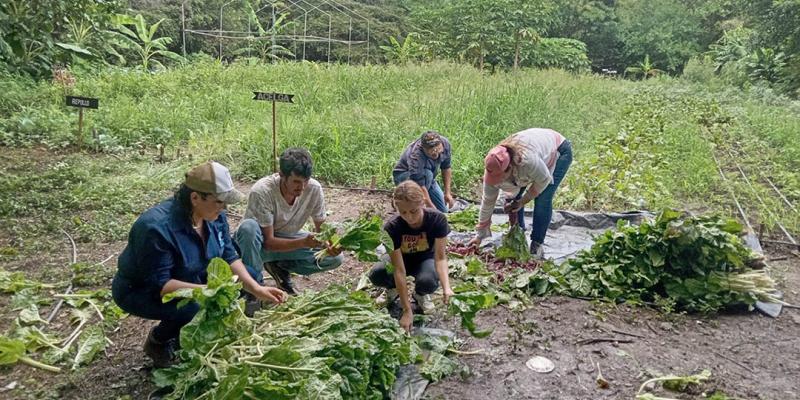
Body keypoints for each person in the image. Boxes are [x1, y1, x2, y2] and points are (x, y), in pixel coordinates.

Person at [112, 161, 287, 368]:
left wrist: (256, 288)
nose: (224, 208)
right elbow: (161, 285)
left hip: (191, 276)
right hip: (141, 290)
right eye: (219, 202)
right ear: (195, 198)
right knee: (194, 306)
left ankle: (194, 331)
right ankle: (158, 341)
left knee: (249, 277)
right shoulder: (155, 228)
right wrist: (212, 290)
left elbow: (229, 255)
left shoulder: (214, 216)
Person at [235, 148, 342, 296]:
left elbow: (323, 228)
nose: (302, 187)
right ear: (282, 176)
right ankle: (253, 289)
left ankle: (279, 267)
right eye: (297, 182)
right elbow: (268, 242)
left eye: (306, 181)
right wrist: (304, 242)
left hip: (287, 240)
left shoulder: (314, 189)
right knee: (249, 228)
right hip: (258, 246)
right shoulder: (262, 191)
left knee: (335, 258)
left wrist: (331, 244)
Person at [468, 128, 573, 258]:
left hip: (558, 150)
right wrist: (479, 236)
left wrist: (523, 201)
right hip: (527, 162)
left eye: (500, 177)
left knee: (542, 199)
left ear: (510, 168)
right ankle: (519, 236)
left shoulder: (528, 162)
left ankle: (537, 243)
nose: (498, 182)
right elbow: (487, 202)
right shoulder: (493, 167)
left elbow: (543, 181)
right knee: (512, 199)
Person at [368, 180, 454, 332]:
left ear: (422, 203)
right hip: (402, 259)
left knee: (428, 280)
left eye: (413, 211)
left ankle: (420, 294)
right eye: (403, 213)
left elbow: (440, 258)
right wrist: (407, 310)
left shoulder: (437, 219)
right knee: (377, 273)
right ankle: (392, 289)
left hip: (425, 259)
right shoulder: (391, 227)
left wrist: (447, 288)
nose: (409, 217)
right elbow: (398, 270)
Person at [392, 130, 455, 213]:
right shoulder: (416, 156)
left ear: (441, 143)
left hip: (429, 180)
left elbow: (446, 168)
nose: (435, 150)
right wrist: (431, 207)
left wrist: (447, 193)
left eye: (437, 146)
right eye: (430, 148)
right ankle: (403, 197)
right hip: (405, 176)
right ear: (423, 148)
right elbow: (419, 183)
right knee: (427, 175)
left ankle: (425, 199)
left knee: (443, 211)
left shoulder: (445, 144)